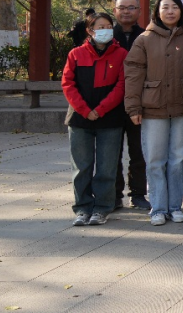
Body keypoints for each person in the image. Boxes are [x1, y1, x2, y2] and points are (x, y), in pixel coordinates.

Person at [124, 0, 183, 226]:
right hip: (153, 107)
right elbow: (133, 73)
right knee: (155, 160)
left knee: (178, 160)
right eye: (165, 7)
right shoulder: (144, 39)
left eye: (174, 7)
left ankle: (175, 206)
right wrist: (133, 106)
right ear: (157, 12)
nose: (170, 11)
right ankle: (157, 208)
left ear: (182, 11)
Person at [62, 12, 128, 226]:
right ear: (90, 30)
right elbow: (68, 84)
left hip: (110, 118)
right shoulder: (76, 54)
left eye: (109, 26)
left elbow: (122, 85)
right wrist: (85, 110)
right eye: (101, 26)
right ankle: (82, 208)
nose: (106, 30)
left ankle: (102, 208)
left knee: (107, 168)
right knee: (81, 167)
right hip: (79, 119)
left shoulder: (121, 54)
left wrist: (100, 110)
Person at [112, 0, 148, 211]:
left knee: (139, 151)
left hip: (139, 103)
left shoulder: (146, 36)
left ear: (139, 11)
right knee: (112, 152)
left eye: (131, 7)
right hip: (112, 104)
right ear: (115, 11)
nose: (126, 11)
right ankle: (114, 194)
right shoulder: (106, 35)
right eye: (122, 7)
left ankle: (138, 194)